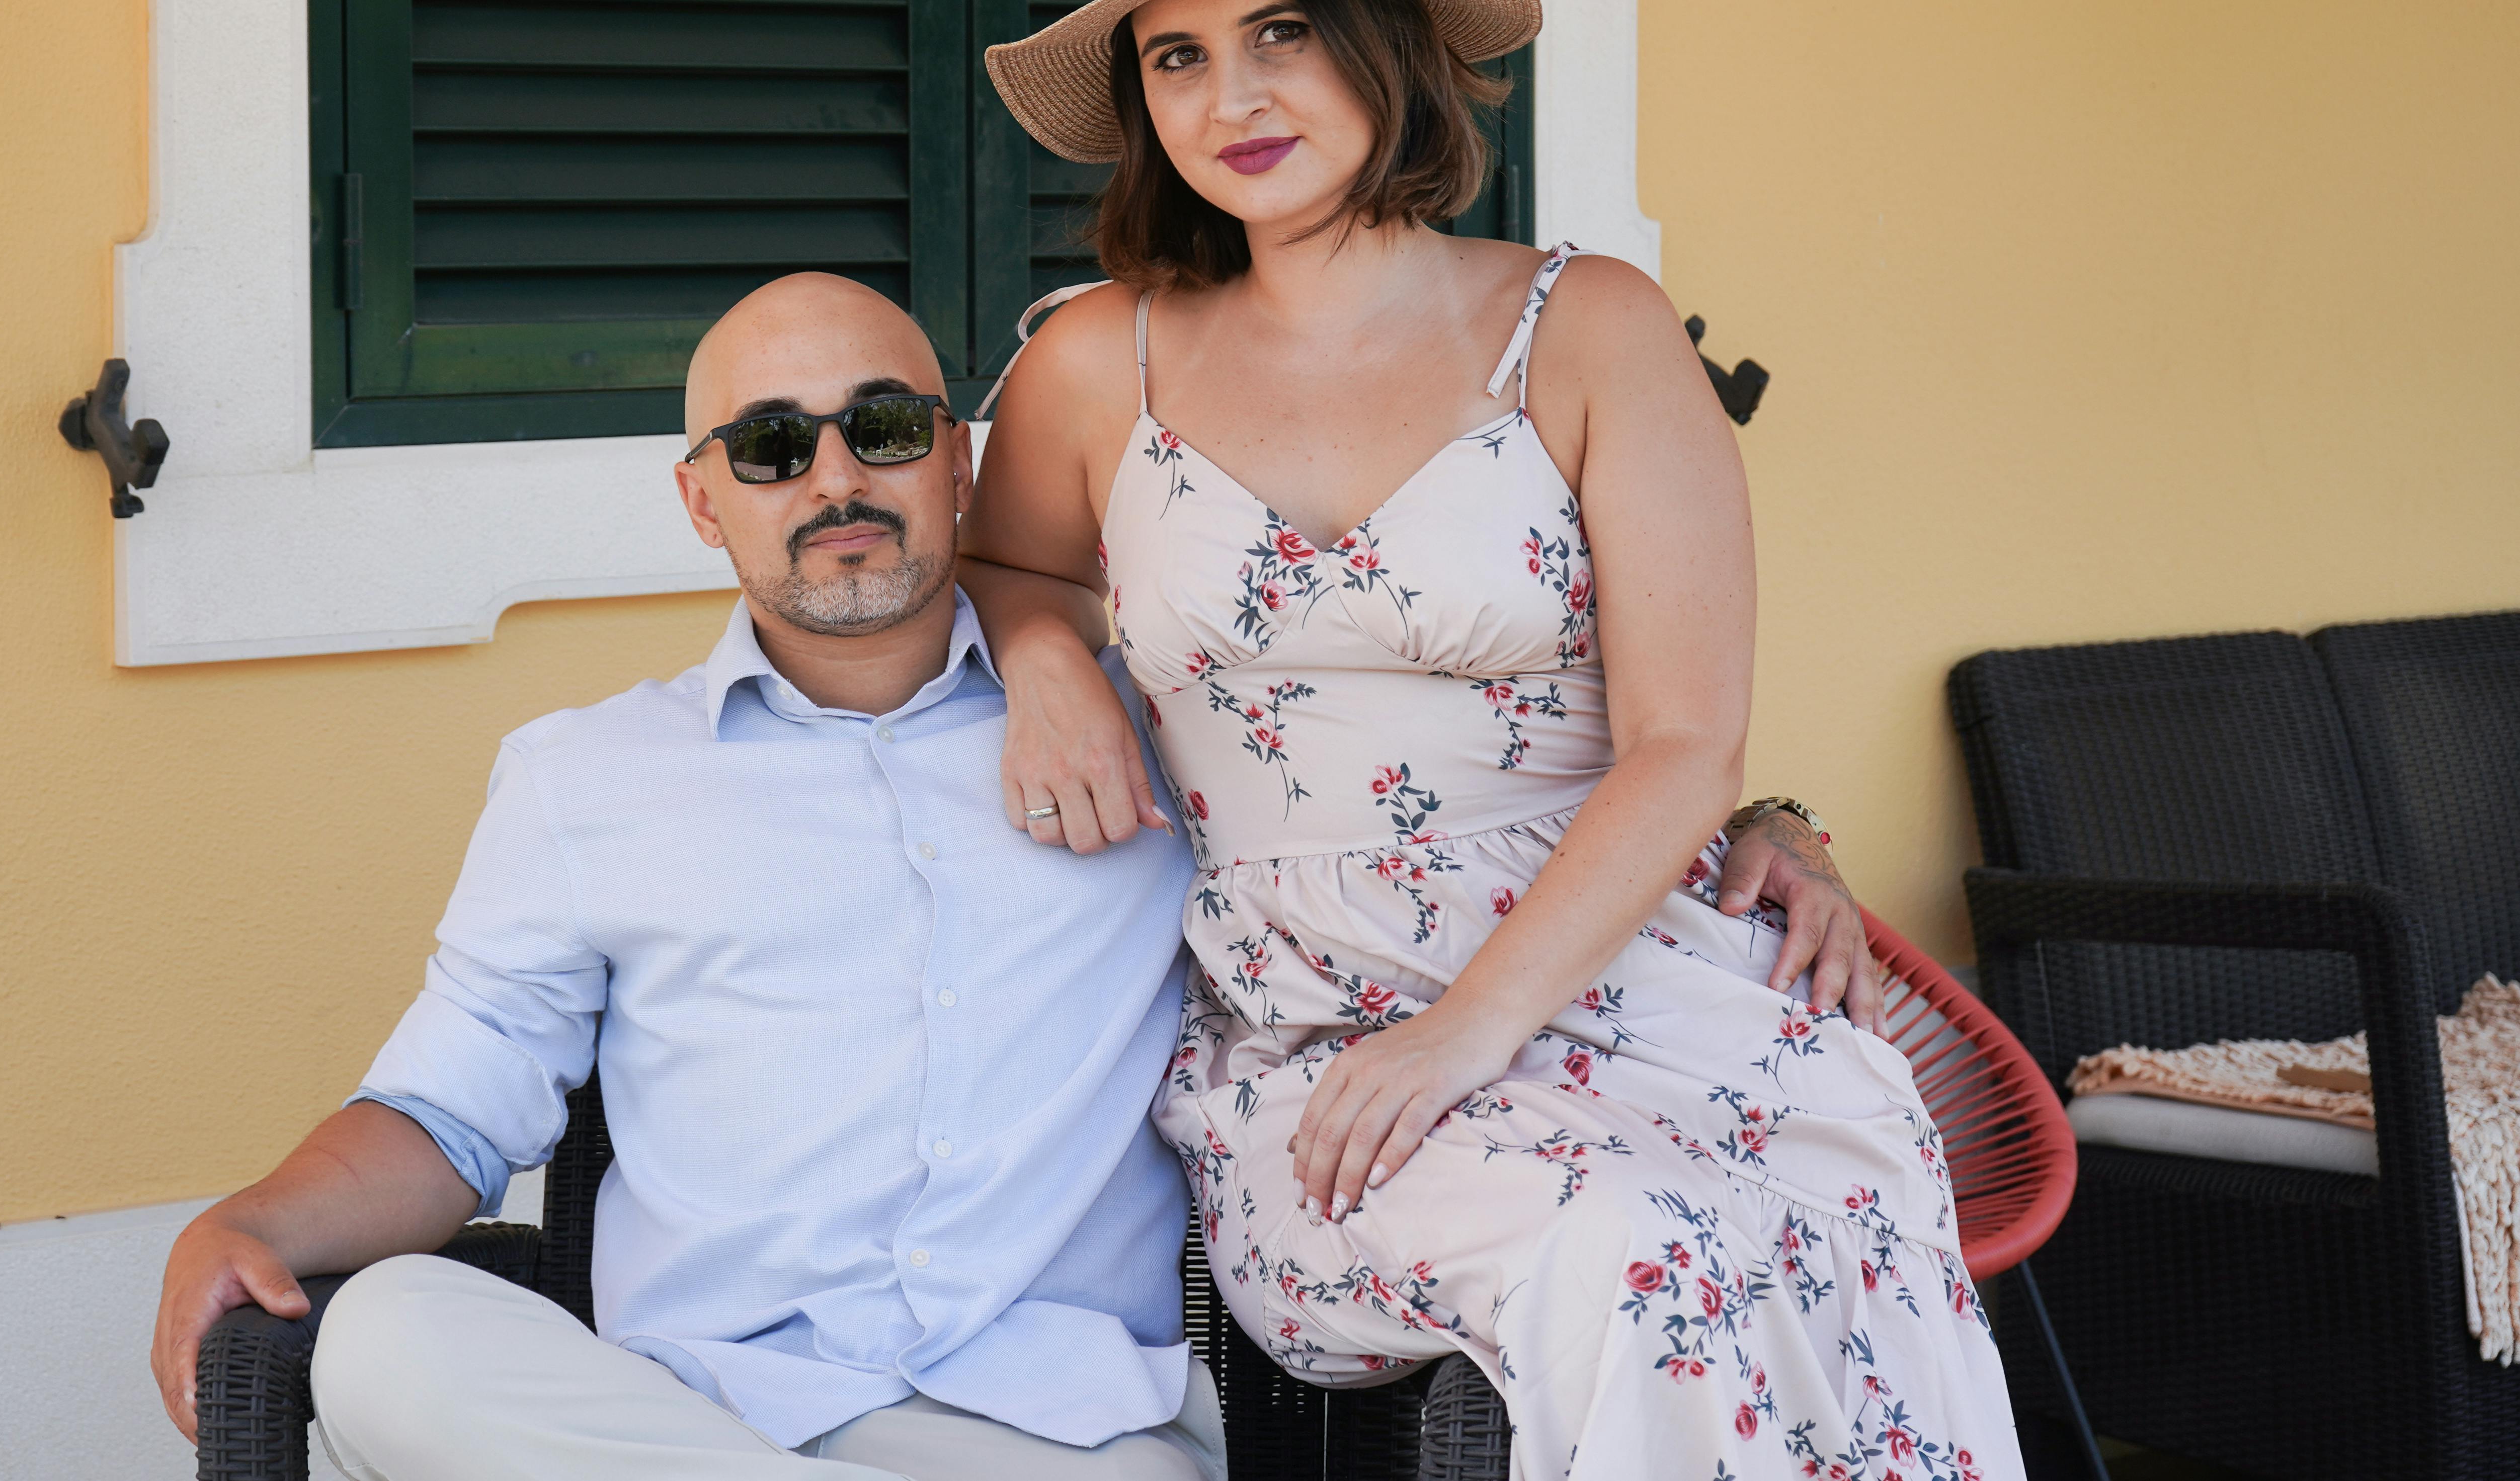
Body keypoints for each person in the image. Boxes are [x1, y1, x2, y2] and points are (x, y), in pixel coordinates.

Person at [147, 269, 1886, 1479]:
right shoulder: (586, 780)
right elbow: (448, 1120)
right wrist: (252, 1218)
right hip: (683, 1409)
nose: (832, 476)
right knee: (387, 1338)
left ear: (962, 460)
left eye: (883, 423)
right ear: (703, 505)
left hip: (1056, 1433)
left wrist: (1761, 829)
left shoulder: (1181, 736)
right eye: (769, 446)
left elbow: (1452, 803)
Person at [960, 0, 2022, 1479]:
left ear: (1388, 48)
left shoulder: (1585, 325)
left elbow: (1687, 742)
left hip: (1610, 975)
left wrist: (1465, 1024)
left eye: (1281, 34)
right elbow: (1006, 559)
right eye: (1175, 59)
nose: (1227, 100)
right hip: (1296, 1026)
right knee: (1631, 1250)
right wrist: (1036, 658)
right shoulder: (1100, 361)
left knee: (1759, 1222)